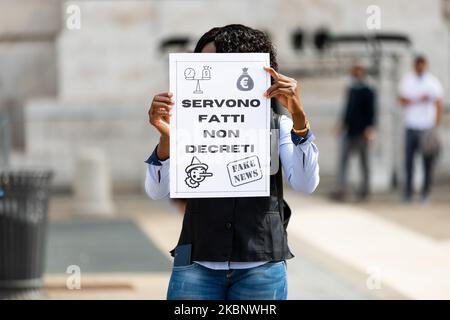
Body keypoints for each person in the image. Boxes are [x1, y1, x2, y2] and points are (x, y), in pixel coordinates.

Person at [144, 24, 319, 300]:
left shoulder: (278, 127)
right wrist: (166, 138)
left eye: (212, 67)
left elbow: (306, 182)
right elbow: (157, 190)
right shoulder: (189, 123)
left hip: (260, 265)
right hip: (197, 261)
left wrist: (299, 118)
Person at [399, 55, 443, 203]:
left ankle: (425, 193)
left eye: (422, 65)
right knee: (409, 162)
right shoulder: (408, 80)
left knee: (427, 162)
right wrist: (418, 99)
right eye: (418, 65)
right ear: (414, 66)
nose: (420, 68)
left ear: (426, 66)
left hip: (426, 127)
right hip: (411, 125)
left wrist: (435, 125)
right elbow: (402, 99)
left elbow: (438, 104)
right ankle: (408, 193)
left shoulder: (432, 82)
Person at [331, 64, 376, 201]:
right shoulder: (351, 89)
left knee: (364, 162)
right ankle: (342, 189)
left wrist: (370, 128)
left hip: (362, 131)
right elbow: (347, 110)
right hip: (349, 131)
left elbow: (372, 111)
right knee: (343, 162)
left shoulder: (368, 91)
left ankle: (365, 189)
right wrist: (341, 124)